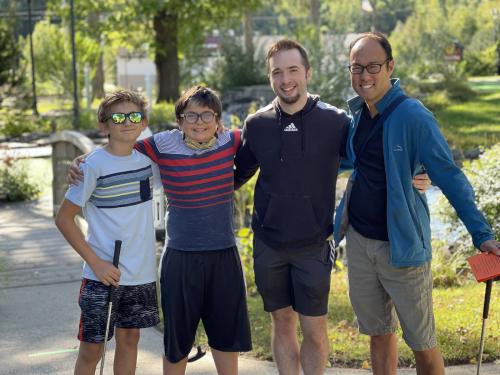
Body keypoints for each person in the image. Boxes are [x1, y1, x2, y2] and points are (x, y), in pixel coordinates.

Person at [334, 31, 500, 375]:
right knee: (378, 334)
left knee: (423, 344)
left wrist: (481, 234)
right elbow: (352, 163)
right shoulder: (359, 116)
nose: (364, 75)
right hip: (362, 245)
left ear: (390, 66)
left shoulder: (414, 116)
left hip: (404, 249)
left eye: (373, 66)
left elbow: (451, 177)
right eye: (356, 68)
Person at [68, 86, 252, 375]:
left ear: (218, 120)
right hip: (164, 259)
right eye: (191, 116)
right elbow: (116, 152)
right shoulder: (158, 146)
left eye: (207, 115)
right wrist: (84, 160)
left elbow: (259, 143)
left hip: (198, 259)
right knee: (161, 342)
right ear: (178, 121)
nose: (199, 122)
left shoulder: (230, 140)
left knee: (218, 338)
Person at [233, 39, 350, 375]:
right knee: (282, 322)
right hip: (269, 244)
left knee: (314, 330)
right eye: (277, 72)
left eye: (293, 70)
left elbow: (372, 156)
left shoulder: (336, 122)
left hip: (313, 244)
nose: (286, 79)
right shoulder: (257, 124)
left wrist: (419, 172)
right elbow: (234, 175)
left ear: (308, 73)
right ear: (270, 78)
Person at [55, 89, 161, 374]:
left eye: (134, 116)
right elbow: (64, 218)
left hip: (140, 274)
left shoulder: (150, 162)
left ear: (143, 121)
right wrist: (96, 263)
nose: (127, 122)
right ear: (104, 125)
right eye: (118, 117)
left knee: (130, 339)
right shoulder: (91, 166)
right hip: (101, 274)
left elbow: (187, 145)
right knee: (93, 348)